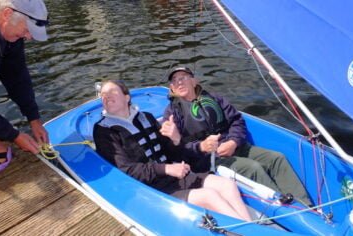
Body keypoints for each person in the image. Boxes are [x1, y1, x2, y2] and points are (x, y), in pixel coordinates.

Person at [93, 80, 252, 221]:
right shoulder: (103, 131)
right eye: (103, 95)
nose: (106, 96)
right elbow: (127, 170)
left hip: (174, 177)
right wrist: (167, 168)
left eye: (111, 92)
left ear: (126, 97)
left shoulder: (146, 117)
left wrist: (175, 139)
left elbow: (172, 152)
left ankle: (251, 228)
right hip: (148, 188)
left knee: (227, 185)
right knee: (210, 196)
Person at [163, 67, 313, 206]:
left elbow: (236, 121)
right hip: (208, 159)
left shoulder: (215, 99)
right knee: (253, 168)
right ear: (172, 88)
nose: (179, 82)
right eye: (174, 81)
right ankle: (288, 210)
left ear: (194, 81)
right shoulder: (172, 114)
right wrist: (201, 147)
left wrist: (233, 142)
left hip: (235, 146)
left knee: (276, 158)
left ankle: (306, 205)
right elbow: (175, 151)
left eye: (183, 77)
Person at [0, 0, 50, 175]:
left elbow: (17, 77)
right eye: (27, 30)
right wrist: (14, 135)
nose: (28, 37)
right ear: (7, 14)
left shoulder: (8, 34)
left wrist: (33, 118)